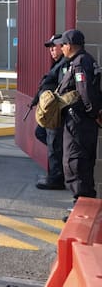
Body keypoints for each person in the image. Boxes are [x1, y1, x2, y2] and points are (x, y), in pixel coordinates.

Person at [53, 29, 100, 200]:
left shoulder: (80, 63)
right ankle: (81, 204)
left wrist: (92, 113)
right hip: (79, 121)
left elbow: (85, 91)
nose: (62, 48)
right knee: (79, 163)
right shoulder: (81, 61)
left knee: (76, 162)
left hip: (78, 122)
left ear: (70, 45)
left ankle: (81, 206)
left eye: (63, 45)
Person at [29, 33, 68, 190]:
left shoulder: (65, 64)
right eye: (50, 48)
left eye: (54, 47)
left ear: (63, 46)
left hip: (56, 111)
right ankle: (58, 171)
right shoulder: (58, 63)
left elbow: (62, 88)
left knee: (54, 144)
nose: (51, 50)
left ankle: (56, 178)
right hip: (51, 111)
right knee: (43, 135)